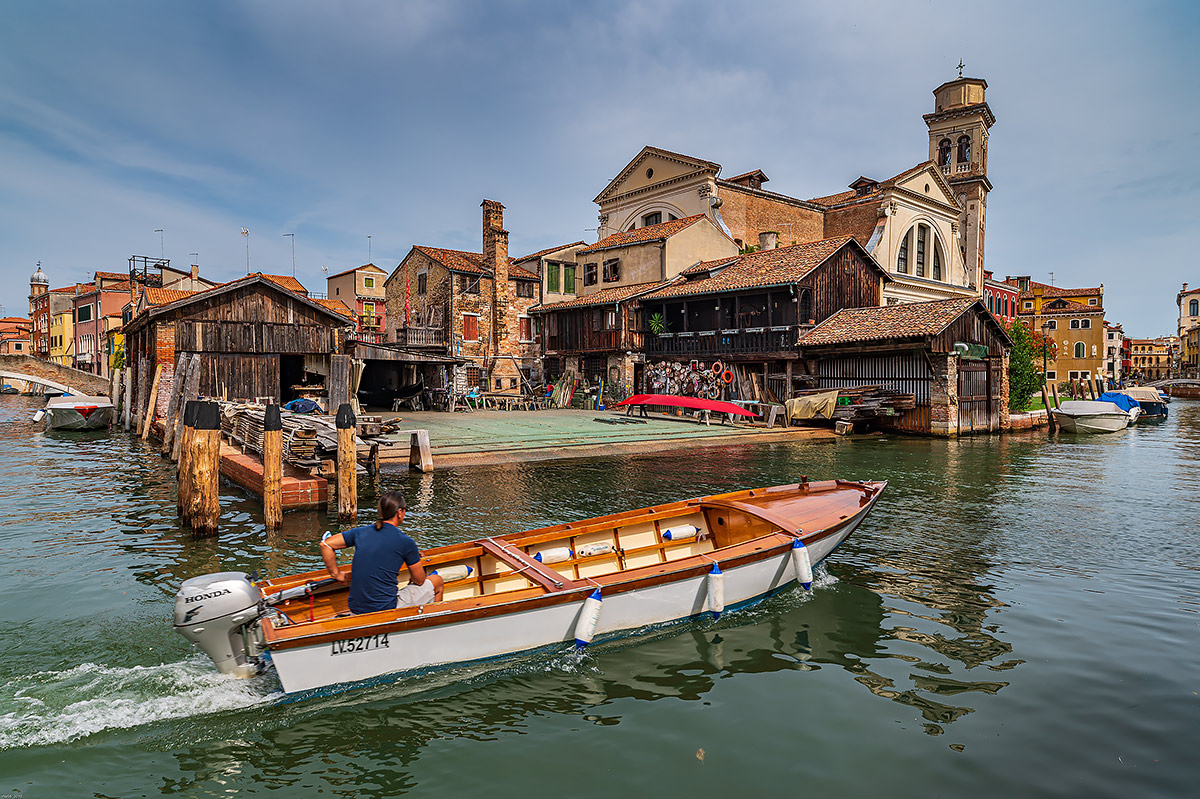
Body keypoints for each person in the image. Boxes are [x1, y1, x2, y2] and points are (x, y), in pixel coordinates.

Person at [320, 490, 444, 614]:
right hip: (386, 608)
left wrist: (336, 574)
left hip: (356, 608)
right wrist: (411, 558)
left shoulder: (360, 532)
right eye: (405, 509)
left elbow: (326, 544)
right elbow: (419, 581)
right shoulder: (406, 542)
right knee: (437, 581)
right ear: (399, 512)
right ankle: (434, 622)